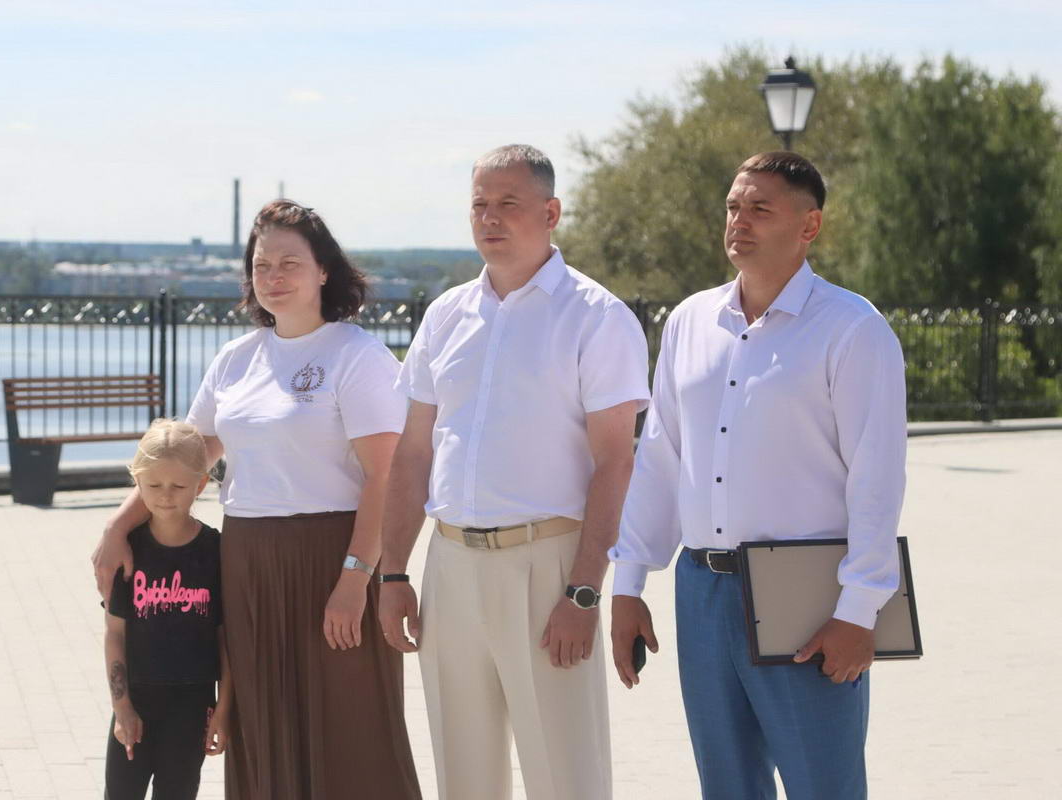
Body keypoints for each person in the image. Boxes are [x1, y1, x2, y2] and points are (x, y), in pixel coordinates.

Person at [94, 201, 421, 800]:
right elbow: (186, 460)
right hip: (245, 561)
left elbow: (387, 478)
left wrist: (355, 579)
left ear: (324, 270)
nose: (273, 276)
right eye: (261, 264)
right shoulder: (235, 360)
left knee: (349, 721)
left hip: (333, 556)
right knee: (263, 719)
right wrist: (118, 527)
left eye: (289, 263)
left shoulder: (357, 355)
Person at [610, 151, 907, 799]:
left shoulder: (854, 330)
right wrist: (628, 584)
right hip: (701, 590)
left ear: (809, 226)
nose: (738, 221)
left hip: (807, 595)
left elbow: (877, 480)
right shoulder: (689, 322)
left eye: (760, 209)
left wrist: (860, 611)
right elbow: (660, 459)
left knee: (824, 786)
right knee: (727, 786)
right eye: (733, 207)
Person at [378, 144, 650, 800]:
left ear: (551, 213)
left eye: (508, 203)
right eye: (479, 205)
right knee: (463, 780)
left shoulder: (597, 317)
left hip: (548, 569)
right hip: (449, 568)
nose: (490, 218)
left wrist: (584, 592)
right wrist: (393, 573)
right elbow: (413, 455)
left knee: (566, 779)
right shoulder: (445, 316)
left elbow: (616, 462)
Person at [103, 418, 231, 800]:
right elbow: (114, 634)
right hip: (136, 703)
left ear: (201, 484)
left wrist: (223, 709)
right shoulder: (128, 551)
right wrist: (122, 707)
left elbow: (226, 639)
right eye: (154, 485)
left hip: (192, 707)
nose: (165, 496)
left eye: (178, 486)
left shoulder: (215, 551)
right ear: (137, 482)